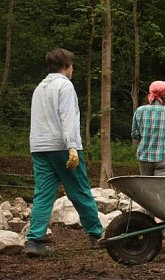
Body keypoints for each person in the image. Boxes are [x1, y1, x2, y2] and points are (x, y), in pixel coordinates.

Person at [26, 48, 103, 257]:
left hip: (40, 146)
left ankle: (34, 240)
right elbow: (67, 117)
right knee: (79, 189)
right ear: (66, 66)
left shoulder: (40, 87)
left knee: (43, 193)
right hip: (62, 146)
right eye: (72, 65)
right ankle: (97, 234)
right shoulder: (64, 86)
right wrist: (72, 146)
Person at [131, 81, 165, 176]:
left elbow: (134, 134)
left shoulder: (139, 111)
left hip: (144, 157)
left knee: (147, 188)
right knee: (164, 189)